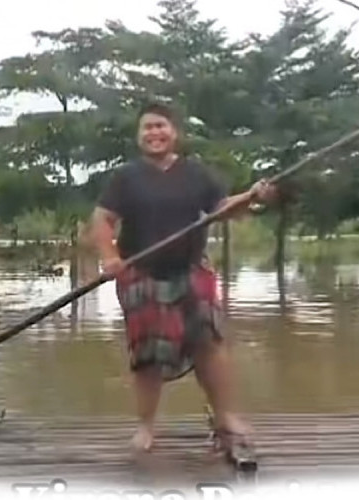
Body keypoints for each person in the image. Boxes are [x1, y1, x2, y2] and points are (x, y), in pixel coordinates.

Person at [90, 102, 277, 452]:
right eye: (147, 127)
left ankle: (224, 416)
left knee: (211, 340)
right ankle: (146, 427)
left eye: (160, 126)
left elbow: (222, 210)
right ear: (138, 136)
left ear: (174, 132)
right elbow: (102, 219)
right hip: (141, 272)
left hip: (191, 268)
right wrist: (110, 256)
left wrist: (253, 195)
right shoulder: (125, 177)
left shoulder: (196, 173)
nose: (154, 133)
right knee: (147, 354)